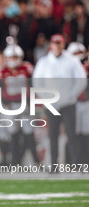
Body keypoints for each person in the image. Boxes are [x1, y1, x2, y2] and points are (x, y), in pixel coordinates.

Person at [32, 34, 87, 167]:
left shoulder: (72, 61)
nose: (57, 46)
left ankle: (76, 164)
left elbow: (81, 79)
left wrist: (72, 96)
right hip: (51, 104)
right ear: (51, 45)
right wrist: (46, 99)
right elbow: (37, 82)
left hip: (68, 103)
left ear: (63, 45)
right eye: (55, 43)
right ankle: (53, 164)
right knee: (53, 135)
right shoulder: (44, 62)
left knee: (72, 135)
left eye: (60, 43)